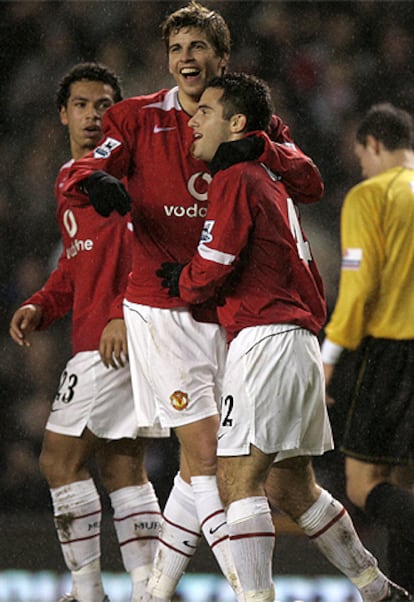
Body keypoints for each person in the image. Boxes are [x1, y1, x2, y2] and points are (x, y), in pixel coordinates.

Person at [62, 4, 325, 601]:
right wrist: (95, 182)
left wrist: (260, 148)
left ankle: (152, 593)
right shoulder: (135, 117)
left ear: (221, 58)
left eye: (199, 46)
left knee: (197, 465)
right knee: (209, 454)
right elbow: (82, 170)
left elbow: (309, 182)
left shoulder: (247, 121)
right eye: (177, 47)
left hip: (224, 308)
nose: (187, 57)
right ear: (167, 58)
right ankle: (250, 591)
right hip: (162, 306)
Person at [158, 73, 413, 601]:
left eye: (205, 110)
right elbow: (307, 182)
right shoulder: (268, 177)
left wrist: (179, 280)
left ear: (235, 123)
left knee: (237, 480)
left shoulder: (235, 177)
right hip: (296, 340)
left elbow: (214, 265)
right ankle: (376, 588)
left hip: (265, 340)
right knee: (292, 486)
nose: (193, 119)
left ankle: (256, 599)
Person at [9, 63, 168, 602]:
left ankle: (88, 591)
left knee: (57, 458)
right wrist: (40, 304)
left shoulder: (127, 172)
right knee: (122, 463)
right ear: (63, 113)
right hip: (104, 332)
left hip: (118, 333)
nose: (93, 114)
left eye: (104, 105)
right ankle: (149, 589)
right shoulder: (68, 178)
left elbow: (148, 248)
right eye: (81, 104)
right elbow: (76, 267)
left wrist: (124, 311)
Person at [321, 102, 414, 593]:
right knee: (403, 486)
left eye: (361, 159)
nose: (362, 168)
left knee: (363, 484)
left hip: (394, 354)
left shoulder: (371, 196)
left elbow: (358, 291)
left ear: (374, 145)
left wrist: (328, 359)